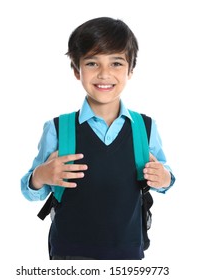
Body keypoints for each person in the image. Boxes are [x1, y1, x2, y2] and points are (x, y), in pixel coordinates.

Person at [21, 17, 175, 260]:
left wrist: (164, 178)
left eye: (116, 63)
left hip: (128, 255)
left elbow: (164, 177)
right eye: (92, 63)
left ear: (131, 69)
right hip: (68, 255)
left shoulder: (145, 127)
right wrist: (40, 176)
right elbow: (31, 191)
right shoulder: (58, 128)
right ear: (76, 70)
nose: (105, 74)